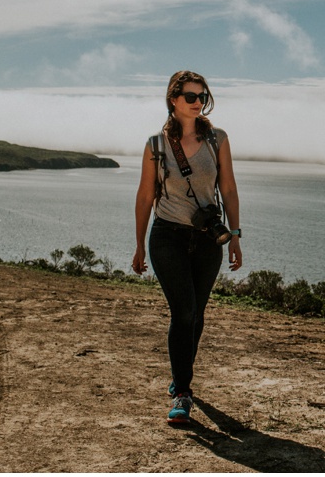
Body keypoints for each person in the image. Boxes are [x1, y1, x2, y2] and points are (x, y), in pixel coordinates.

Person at [132, 70, 243, 423]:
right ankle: (182, 391)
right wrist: (138, 244)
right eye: (190, 97)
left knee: (197, 314)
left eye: (201, 97)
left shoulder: (218, 140)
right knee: (183, 312)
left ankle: (179, 375)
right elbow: (146, 196)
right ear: (173, 100)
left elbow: (228, 189)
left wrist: (236, 237)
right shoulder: (156, 145)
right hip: (167, 237)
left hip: (208, 240)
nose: (197, 103)